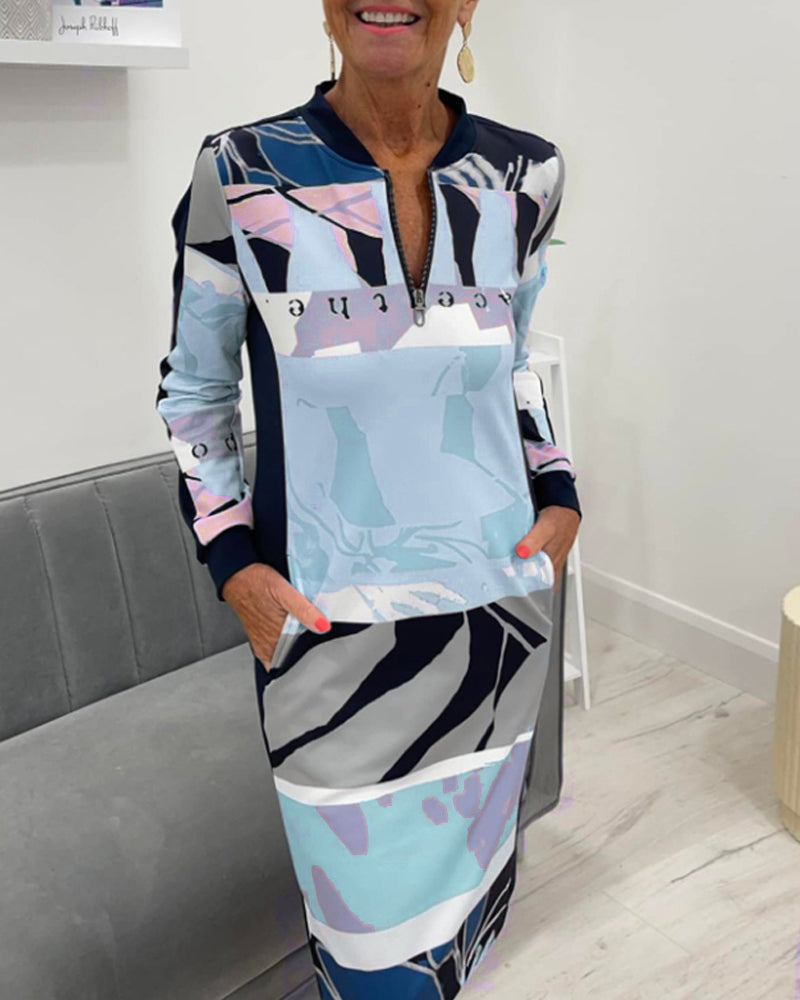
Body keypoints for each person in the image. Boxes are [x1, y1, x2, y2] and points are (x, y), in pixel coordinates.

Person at [156, 0, 581, 994]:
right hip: (330, 644)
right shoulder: (241, 172)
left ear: (465, 6)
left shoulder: (526, 175)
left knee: (462, 932)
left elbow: (513, 361)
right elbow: (195, 394)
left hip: (494, 623)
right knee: (369, 957)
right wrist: (233, 563)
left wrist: (558, 489)